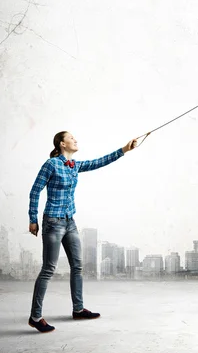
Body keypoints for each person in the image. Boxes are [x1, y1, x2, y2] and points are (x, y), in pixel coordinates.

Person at [27, 131, 138, 333]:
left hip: (70, 222)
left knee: (77, 265)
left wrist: (124, 150)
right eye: (71, 137)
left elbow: (99, 162)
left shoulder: (75, 165)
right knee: (48, 269)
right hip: (52, 222)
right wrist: (33, 219)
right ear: (62, 143)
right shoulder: (51, 164)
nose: (75, 139)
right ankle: (35, 316)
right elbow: (35, 190)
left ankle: (78, 309)